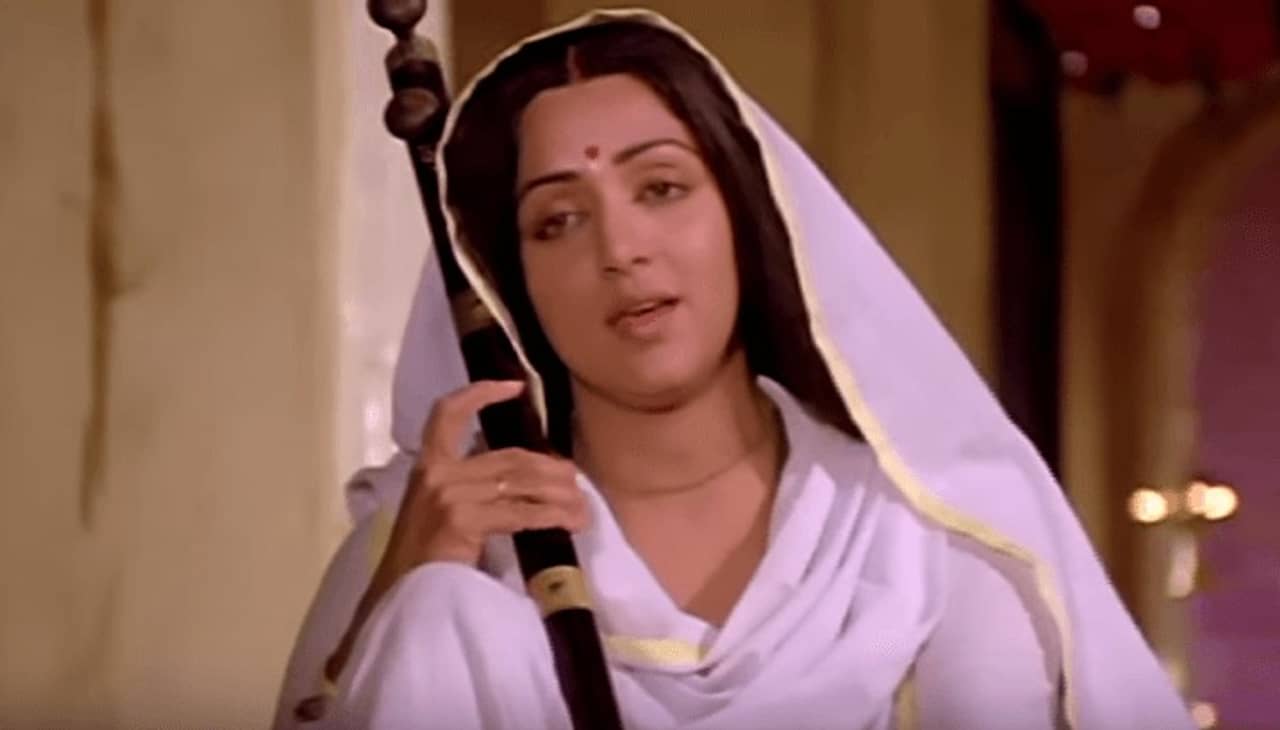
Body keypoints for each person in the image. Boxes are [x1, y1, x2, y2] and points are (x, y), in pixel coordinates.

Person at [274, 9, 1192, 730]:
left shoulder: (920, 539)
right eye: (558, 221)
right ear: (507, 279)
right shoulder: (449, 537)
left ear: (747, 217)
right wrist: (394, 603)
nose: (620, 249)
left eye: (661, 188)